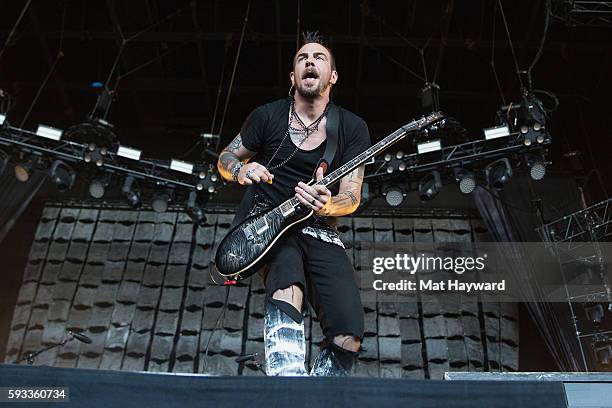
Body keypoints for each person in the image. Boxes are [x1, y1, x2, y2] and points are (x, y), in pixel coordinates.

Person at [216, 32, 371, 376]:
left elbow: (352, 195)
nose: (310, 61)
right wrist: (241, 170)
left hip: (319, 230)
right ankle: (286, 386)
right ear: (293, 76)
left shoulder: (352, 127)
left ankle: (318, 397)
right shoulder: (267, 116)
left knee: (349, 333)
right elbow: (226, 157)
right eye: (302, 58)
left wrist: (327, 204)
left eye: (319, 57)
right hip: (271, 227)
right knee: (288, 288)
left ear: (332, 76)